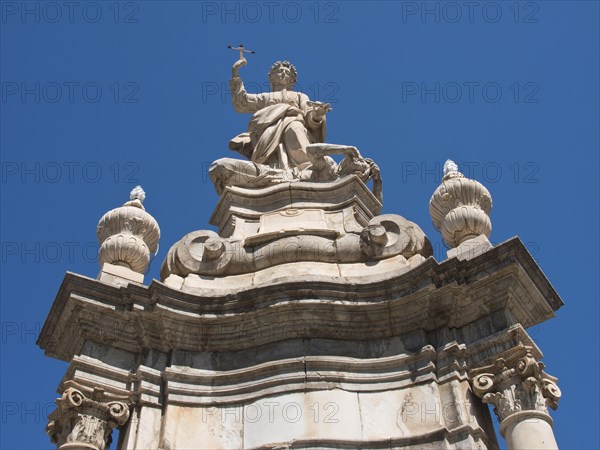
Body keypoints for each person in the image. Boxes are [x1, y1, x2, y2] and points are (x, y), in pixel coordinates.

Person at [229, 58, 331, 170]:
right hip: (269, 132)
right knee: (269, 160)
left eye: (287, 73)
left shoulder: (299, 96)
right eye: (280, 71)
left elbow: (309, 116)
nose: (283, 73)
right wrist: (235, 73)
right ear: (272, 77)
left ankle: (308, 166)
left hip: (294, 125)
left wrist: (317, 114)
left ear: (292, 80)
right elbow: (242, 103)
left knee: (294, 127)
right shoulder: (264, 98)